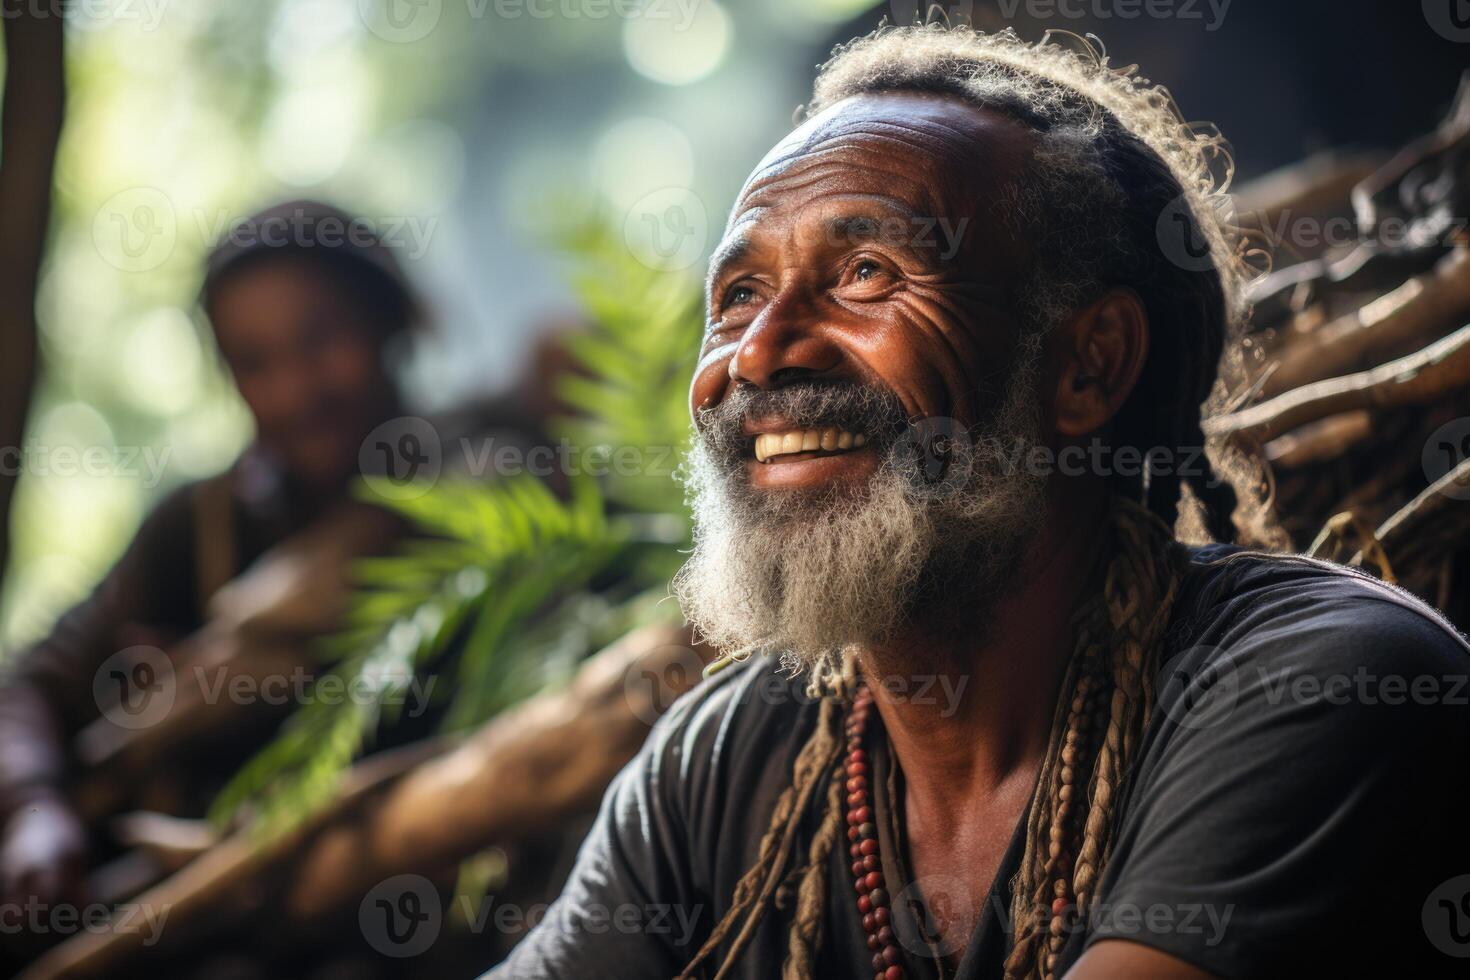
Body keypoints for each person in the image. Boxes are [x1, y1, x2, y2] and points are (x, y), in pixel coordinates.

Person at [491, 27, 1470, 980]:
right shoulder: (723, 766)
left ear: (1089, 365)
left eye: (866, 273)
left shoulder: (1314, 683)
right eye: (741, 292)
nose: (759, 351)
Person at [0, 200, 421, 919]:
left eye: (320, 338)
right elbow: (32, 688)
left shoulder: (490, 487)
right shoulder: (197, 527)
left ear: (386, 321)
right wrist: (33, 812)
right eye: (255, 362)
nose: (296, 388)